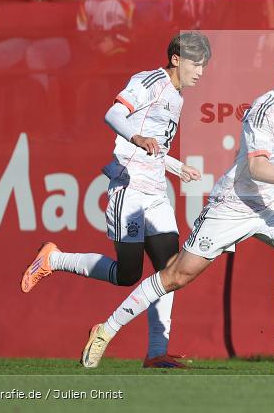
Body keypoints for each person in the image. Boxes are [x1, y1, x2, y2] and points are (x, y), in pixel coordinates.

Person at [80, 53, 274, 367]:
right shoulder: (263, 113)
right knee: (177, 275)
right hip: (233, 205)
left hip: (268, 207)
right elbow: (258, 167)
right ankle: (106, 329)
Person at [22, 32, 209, 369]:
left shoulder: (178, 97)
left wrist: (177, 166)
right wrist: (135, 136)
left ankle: (156, 352)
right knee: (128, 274)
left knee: (171, 270)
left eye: (204, 66)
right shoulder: (150, 80)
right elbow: (113, 115)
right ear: (177, 59)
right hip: (129, 187)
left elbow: (155, 147)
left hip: (155, 192)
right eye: (196, 63)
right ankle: (55, 260)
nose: (201, 72)